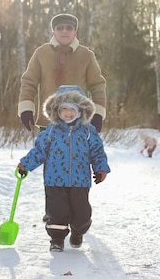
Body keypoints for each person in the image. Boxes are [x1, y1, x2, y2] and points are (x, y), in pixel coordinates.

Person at [17, 85, 111, 252]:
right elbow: (40, 151)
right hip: (54, 180)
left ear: (81, 110)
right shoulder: (51, 131)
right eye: (64, 109)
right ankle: (57, 239)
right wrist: (26, 164)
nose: (68, 113)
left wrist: (100, 169)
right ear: (56, 111)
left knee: (81, 214)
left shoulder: (88, 131)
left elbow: (97, 151)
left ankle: (77, 232)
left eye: (72, 109)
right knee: (56, 213)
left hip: (80, 180)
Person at [17, 13, 106, 133]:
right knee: (46, 151)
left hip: (78, 123)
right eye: (60, 28)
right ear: (54, 32)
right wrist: (26, 109)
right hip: (48, 123)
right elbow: (28, 83)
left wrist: (98, 114)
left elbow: (97, 86)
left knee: (77, 152)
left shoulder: (86, 55)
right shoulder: (42, 53)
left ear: (75, 32)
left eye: (69, 28)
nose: (64, 31)